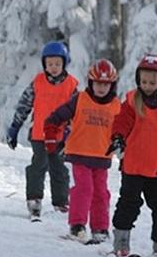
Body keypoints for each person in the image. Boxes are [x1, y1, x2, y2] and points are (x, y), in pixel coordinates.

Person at [44, 59, 121, 243]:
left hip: (102, 157)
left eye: (106, 84)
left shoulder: (117, 106)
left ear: (112, 85)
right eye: (98, 84)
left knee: (101, 192)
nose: (101, 88)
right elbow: (56, 117)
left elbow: (125, 128)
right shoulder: (80, 99)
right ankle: (77, 225)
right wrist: (51, 132)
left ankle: (100, 228)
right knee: (84, 189)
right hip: (79, 153)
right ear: (90, 82)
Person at [105, 54, 157, 257]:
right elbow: (121, 122)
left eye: (152, 82)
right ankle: (121, 241)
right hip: (133, 165)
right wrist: (117, 137)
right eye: (144, 81)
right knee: (128, 204)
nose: (147, 86)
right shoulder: (133, 101)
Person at [6, 41, 78, 220]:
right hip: (39, 135)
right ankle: (34, 200)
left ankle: (61, 203)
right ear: (44, 64)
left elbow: (78, 113)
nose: (53, 68)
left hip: (62, 137)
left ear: (64, 63)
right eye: (50, 64)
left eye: (57, 64)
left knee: (59, 169)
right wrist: (15, 127)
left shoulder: (72, 86)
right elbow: (24, 106)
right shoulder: (37, 83)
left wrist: (71, 131)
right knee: (38, 167)